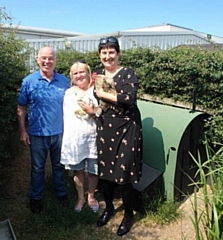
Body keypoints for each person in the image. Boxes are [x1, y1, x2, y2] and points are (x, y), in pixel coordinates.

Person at [94, 36, 144, 236]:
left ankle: (129, 214)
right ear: (100, 55)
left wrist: (101, 94)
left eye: (111, 52)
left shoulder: (128, 73)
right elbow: (100, 103)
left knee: (123, 177)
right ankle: (109, 208)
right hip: (105, 128)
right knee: (105, 176)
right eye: (104, 52)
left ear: (118, 53)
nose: (108, 56)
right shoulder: (98, 76)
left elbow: (129, 99)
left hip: (127, 129)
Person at [17, 47, 71, 213]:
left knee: (59, 166)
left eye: (50, 58)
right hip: (37, 133)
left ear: (55, 60)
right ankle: (36, 197)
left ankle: (61, 193)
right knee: (37, 168)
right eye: (44, 58)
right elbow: (21, 107)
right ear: (37, 59)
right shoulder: (29, 81)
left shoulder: (64, 82)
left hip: (60, 133)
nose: (47, 61)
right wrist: (23, 131)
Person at [60, 60, 99, 213]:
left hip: (94, 138)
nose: (79, 75)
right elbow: (67, 117)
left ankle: (91, 196)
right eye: (75, 73)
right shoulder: (69, 93)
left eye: (82, 72)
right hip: (76, 139)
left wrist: (92, 111)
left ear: (88, 73)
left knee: (94, 170)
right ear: (71, 77)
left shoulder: (96, 90)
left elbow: (105, 113)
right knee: (78, 170)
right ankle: (81, 197)